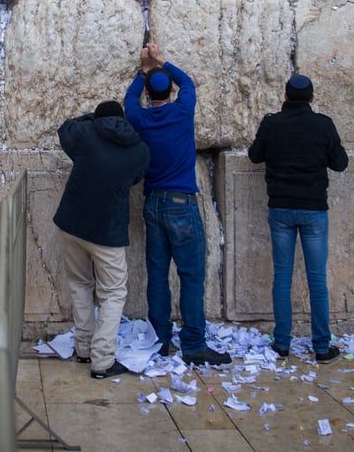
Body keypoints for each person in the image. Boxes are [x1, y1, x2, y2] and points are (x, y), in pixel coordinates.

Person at [124, 42, 230, 366]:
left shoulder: (140, 118)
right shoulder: (183, 111)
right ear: (170, 91)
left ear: (148, 95)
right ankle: (195, 345)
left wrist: (143, 72)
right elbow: (187, 81)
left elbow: (129, 101)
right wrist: (160, 61)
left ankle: (161, 341)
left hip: (153, 203)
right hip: (181, 203)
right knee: (191, 275)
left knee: (157, 274)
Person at [247, 74, 349, 364]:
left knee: (282, 276)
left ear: (286, 95)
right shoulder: (323, 125)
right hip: (313, 208)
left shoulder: (271, 123)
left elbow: (255, 156)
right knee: (316, 279)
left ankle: (281, 344)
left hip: (280, 208)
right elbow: (340, 163)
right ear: (312, 98)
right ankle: (321, 346)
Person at [53, 100, 151, 379]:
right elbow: (135, 179)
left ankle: (83, 349)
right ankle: (103, 360)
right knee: (113, 293)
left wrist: (91, 118)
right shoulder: (140, 150)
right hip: (108, 231)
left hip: (72, 224)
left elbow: (65, 129)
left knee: (80, 284)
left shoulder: (86, 134)